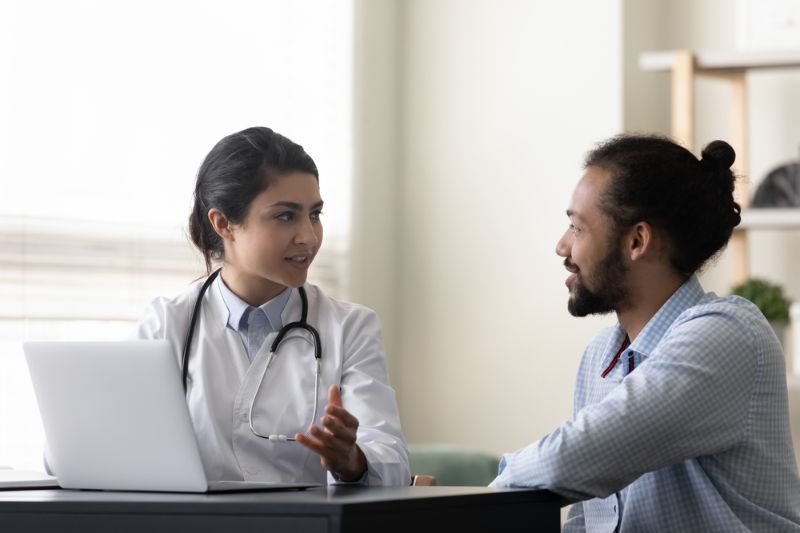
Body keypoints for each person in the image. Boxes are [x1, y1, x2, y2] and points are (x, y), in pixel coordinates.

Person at [490, 134, 800, 531]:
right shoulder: (601, 356)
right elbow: (586, 517)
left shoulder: (727, 335)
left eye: (577, 228)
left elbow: (575, 458)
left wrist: (474, 497)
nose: (562, 246)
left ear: (637, 241)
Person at [136, 126, 409, 486]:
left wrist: (351, 459)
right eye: (285, 216)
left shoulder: (350, 327)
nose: (309, 237)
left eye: (315, 214)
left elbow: (393, 464)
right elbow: (99, 453)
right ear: (224, 224)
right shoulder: (167, 324)